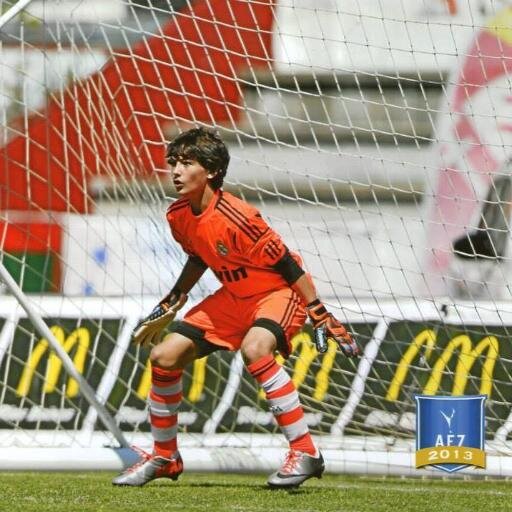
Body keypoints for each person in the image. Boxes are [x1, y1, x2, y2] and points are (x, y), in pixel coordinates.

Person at [112, 127, 359, 489]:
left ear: (211, 171)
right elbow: (199, 256)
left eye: (187, 163)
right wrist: (176, 296)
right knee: (164, 356)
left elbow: (288, 266)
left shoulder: (239, 216)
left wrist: (317, 309)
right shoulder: (177, 215)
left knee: (255, 348)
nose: (176, 172)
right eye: (174, 164)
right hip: (233, 297)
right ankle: (165, 457)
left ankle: (305, 452)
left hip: (277, 293)